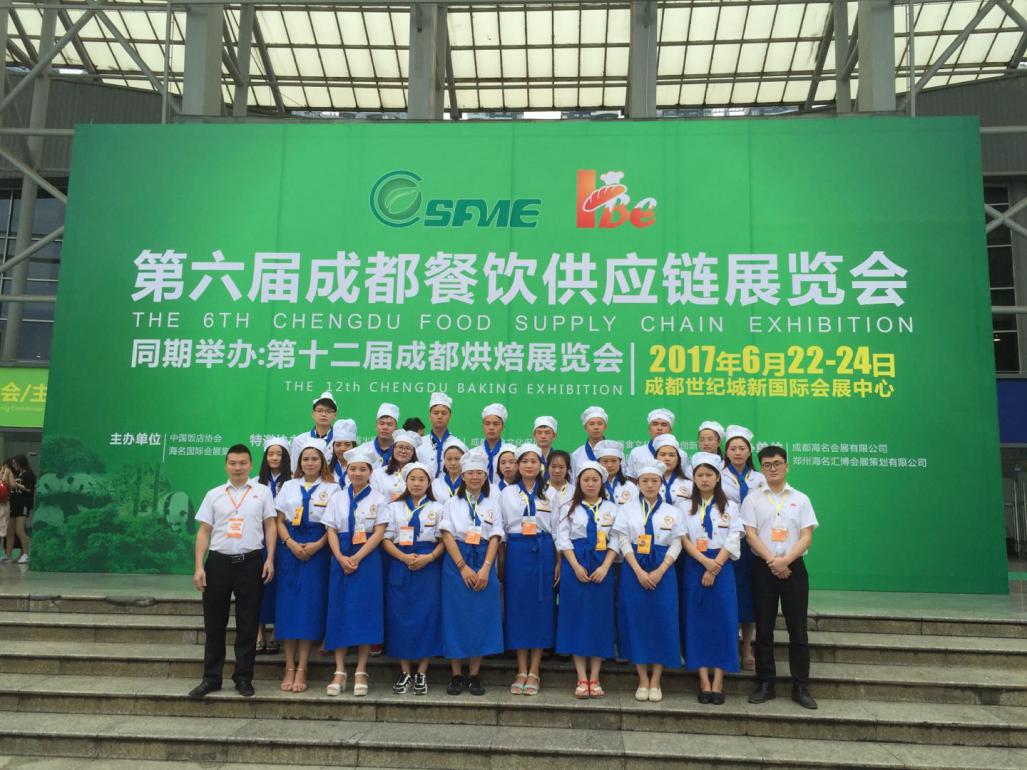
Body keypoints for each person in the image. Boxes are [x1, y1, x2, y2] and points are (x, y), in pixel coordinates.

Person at [189, 444, 276, 699]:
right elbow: (204, 531)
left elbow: (270, 526)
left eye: (243, 463)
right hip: (218, 564)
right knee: (214, 624)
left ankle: (243, 678)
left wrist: (270, 559)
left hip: (251, 563)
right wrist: (199, 566)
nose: (238, 468)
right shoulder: (214, 494)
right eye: (233, 463)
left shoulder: (262, 492)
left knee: (248, 624)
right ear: (226, 465)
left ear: (250, 465)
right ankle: (211, 678)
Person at [742, 445, 819, 710]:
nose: (772, 468)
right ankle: (766, 683)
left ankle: (801, 686)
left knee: (798, 629)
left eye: (777, 463)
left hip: (793, 568)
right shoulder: (752, 499)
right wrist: (773, 562)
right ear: (761, 469)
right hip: (763, 568)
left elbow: (807, 536)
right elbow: (750, 535)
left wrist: (785, 561)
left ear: (787, 466)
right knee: (764, 629)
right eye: (767, 465)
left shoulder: (801, 498)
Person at [612, 460, 685, 703]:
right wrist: (638, 571)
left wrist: (660, 570)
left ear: (661, 483)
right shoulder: (627, 509)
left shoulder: (672, 511)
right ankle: (643, 678)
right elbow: (623, 540)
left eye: (654, 481)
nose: (650, 485)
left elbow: (677, 543)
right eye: (645, 481)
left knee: (663, 621)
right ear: (639, 484)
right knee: (637, 621)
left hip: (663, 571)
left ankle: (656, 680)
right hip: (634, 570)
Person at [321, 446, 388, 697]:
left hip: (367, 560)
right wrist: (340, 557)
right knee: (339, 610)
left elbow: (379, 532)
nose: (357, 473)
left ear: (370, 473)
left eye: (362, 469)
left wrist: (357, 557)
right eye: (353, 469)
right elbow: (330, 530)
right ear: (347, 471)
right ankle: (339, 670)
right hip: (340, 558)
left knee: (365, 612)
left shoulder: (378, 499)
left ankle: (361, 669)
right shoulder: (337, 497)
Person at [273, 438, 338, 694]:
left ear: (323, 462)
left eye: (315, 459)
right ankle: (289, 665)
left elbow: (332, 526)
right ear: (299, 462)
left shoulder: (333, 488)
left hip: (318, 550)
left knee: (309, 608)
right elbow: (279, 520)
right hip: (289, 549)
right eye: (306, 459)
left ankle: (303, 667)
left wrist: (317, 545)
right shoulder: (289, 486)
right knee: (288, 607)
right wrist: (289, 543)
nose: (310, 463)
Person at [680, 452, 744, 705]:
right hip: (695, 565)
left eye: (709, 475)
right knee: (696, 621)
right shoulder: (684, 507)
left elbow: (734, 537)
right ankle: (703, 681)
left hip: (722, 566)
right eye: (700, 475)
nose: (704, 479)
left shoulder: (731, 507)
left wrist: (715, 565)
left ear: (718, 478)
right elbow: (684, 539)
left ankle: (718, 681)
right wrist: (705, 562)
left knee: (724, 621)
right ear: (694, 479)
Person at [439, 449, 504, 696]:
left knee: (481, 617)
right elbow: (447, 535)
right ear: (463, 476)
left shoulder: (492, 503)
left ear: (485, 476)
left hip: (485, 558)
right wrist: (462, 566)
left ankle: (475, 674)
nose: (475, 477)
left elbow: (496, 536)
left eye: (479, 473)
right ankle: (456, 674)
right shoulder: (451, 503)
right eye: (470, 473)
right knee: (455, 616)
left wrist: (486, 569)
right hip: (457, 561)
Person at [499, 443, 562, 696]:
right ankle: (521, 668)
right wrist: (502, 562)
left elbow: (557, 530)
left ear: (540, 465)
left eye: (533, 461)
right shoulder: (507, 493)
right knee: (518, 608)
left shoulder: (551, 493)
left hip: (544, 551)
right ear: (517, 465)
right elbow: (502, 530)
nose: (528, 465)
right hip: (517, 551)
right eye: (524, 461)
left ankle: (535, 669)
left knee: (541, 608)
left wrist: (558, 561)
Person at [555, 461, 618, 699]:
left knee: (599, 618)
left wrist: (605, 567)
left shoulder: (612, 508)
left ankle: (595, 677)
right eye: (585, 480)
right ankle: (582, 676)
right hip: (576, 565)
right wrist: (575, 566)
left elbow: (616, 539)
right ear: (578, 482)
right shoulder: (568, 507)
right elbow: (562, 539)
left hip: (603, 566)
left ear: (602, 482)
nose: (590, 484)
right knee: (576, 618)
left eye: (595, 480)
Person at [381, 463, 445, 695]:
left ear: (429, 483)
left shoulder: (438, 508)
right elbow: (386, 539)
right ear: (406, 482)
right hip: (400, 563)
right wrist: (403, 557)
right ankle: (405, 671)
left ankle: (422, 672)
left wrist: (429, 558)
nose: (417, 483)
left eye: (422, 479)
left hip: (428, 567)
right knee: (400, 617)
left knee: (427, 616)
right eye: (413, 479)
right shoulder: (393, 508)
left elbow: (444, 540)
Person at [722, 424, 766, 671]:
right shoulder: (717, 475)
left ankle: (747, 648)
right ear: (726, 452)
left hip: (753, 543)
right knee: (730, 594)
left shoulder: (760, 478)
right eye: (733, 448)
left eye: (742, 448)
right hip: (727, 543)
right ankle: (729, 645)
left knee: (750, 595)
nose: (737, 452)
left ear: (749, 452)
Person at [255, 436, 291, 655]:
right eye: (271, 454)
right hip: (260, 540)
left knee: (280, 586)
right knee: (260, 584)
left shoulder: (293, 481)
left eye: (279, 454)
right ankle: (259, 632)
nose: (275, 458)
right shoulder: (255, 482)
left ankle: (276, 633)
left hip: (284, 540)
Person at [289, 391, 337, 472]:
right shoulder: (299, 440)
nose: (324, 414)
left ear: (335, 415)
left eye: (328, 411)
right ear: (313, 414)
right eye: (320, 411)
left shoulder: (340, 441)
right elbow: (294, 469)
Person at [626, 408, 676, 481]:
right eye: (655, 424)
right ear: (649, 429)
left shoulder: (681, 454)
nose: (659, 428)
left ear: (670, 430)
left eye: (664, 425)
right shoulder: (637, 453)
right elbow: (632, 480)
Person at [417, 392, 459, 478]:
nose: (439, 416)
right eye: (436, 413)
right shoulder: (419, 444)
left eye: (444, 413)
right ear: (429, 416)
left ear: (450, 416)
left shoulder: (458, 445)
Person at [371, 430, 420, 501]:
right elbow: (374, 499)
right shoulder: (378, 474)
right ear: (393, 449)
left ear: (413, 452)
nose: (403, 451)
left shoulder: (419, 474)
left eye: (407, 448)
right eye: (400, 447)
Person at [4, 455, 34, 563]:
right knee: (10, 532)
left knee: (20, 531)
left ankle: (25, 554)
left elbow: (29, 489)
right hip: (13, 505)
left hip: (23, 505)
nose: (13, 465)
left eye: (15, 463)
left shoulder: (28, 473)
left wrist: (16, 484)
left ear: (20, 462)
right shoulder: (17, 473)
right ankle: (8, 556)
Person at [356, 402, 400, 468]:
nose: (385, 427)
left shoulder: (402, 452)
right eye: (381, 423)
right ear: (376, 426)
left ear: (396, 428)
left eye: (390, 424)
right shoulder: (363, 449)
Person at [570, 406, 608, 479]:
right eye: (591, 424)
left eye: (600, 423)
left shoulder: (615, 454)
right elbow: (574, 481)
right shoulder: (576, 455)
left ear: (605, 427)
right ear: (585, 428)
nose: (596, 427)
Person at [595, 440, 637, 507]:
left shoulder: (630, 487)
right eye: (605, 461)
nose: (609, 465)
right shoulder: (593, 486)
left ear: (620, 462)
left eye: (614, 461)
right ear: (598, 463)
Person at [652, 434, 693, 503]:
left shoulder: (689, 485)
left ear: (678, 460)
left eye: (672, 455)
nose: (667, 458)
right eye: (662, 455)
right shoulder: (647, 483)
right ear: (656, 458)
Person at [479, 403, 509, 483]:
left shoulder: (512, 451)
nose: (491, 427)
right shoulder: (473, 454)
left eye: (496, 424)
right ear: (483, 426)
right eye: (487, 424)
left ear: (503, 427)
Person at [328, 419, 359, 487]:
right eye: (338, 445)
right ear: (333, 447)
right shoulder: (326, 470)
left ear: (354, 446)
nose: (342, 449)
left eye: (347, 444)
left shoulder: (361, 469)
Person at [532, 416, 558, 481]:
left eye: (547, 433)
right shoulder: (528, 457)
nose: (543, 436)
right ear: (534, 435)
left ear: (554, 436)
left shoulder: (559, 458)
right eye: (539, 433)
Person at [0, 459, 15, 561]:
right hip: (3, 503)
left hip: (2, 502)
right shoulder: (8, 471)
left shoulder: (3, 471)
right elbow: (12, 485)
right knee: (3, 529)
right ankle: (6, 554)